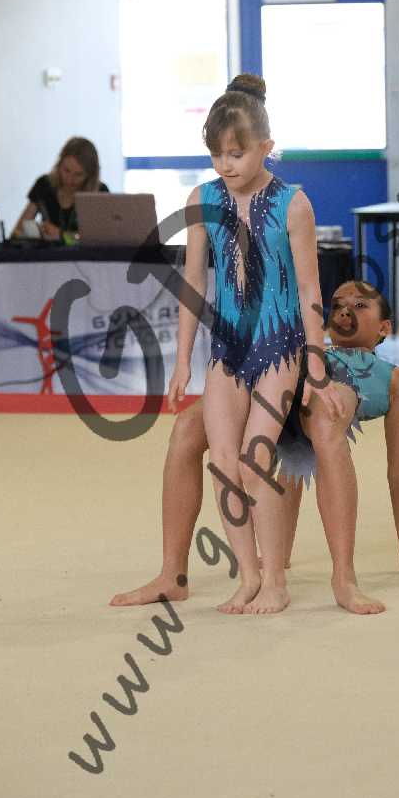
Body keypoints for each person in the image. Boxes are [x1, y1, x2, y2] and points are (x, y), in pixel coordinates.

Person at [111, 280, 399, 615]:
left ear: (384, 327)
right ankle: (172, 575)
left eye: (360, 305)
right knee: (188, 426)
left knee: (324, 421)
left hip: (328, 400)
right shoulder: (311, 351)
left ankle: (344, 578)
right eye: (337, 305)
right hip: (287, 379)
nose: (345, 311)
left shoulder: (396, 377)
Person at [166, 73, 346, 617]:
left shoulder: (294, 204)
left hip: (280, 345)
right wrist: (181, 360)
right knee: (223, 461)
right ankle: (247, 576)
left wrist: (316, 367)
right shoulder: (203, 199)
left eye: (236, 154)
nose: (225, 165)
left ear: (267, 147)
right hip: (228, 347)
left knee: (253, 458)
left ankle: (275, 579)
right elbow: (193, 283)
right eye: (217, 155)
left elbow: (310, 290)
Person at [11, 136, 109, 241]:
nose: (70, 179)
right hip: (48, 251)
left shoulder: (100, 192)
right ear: (59, 165)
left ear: (90, 175)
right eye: (66, 170)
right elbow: (16, 233)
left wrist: (62, 236)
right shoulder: (44, 184)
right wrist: (35, 233)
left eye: (78, 174)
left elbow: (104, 239)